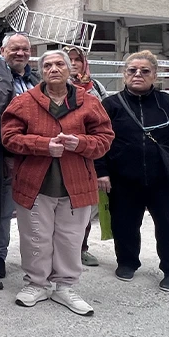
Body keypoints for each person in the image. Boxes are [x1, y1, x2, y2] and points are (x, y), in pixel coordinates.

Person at [1, 49, 114, 316]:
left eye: (60, 64)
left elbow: (105, 139)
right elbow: (8, 138)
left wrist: (81, 143)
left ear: (70, 70)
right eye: (48, 65)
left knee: (70, 239)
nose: (54, 68)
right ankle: (36, 284)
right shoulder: (24, 102)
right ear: (41, 71)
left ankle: (65, 286)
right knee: (35, 237)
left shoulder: (89, 102)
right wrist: (42, 145)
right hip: (35, 183)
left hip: (76, 184)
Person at [95, 50, 169, 292]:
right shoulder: (110, 106)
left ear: (155, 75)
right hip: (124, 179)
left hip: (166, 180)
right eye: (132, 71)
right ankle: (127, 262)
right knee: (124, 224)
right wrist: (102, 172)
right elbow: (99, 142)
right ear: (124, 75)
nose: (137, 75)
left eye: (145, 71)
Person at [0, 32, 39, 287]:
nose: (20, 53)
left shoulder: (34, 80)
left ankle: (5, 255)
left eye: (24, 49)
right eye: (15, 49)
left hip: (30, 153)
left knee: (15, 207)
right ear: (3, 50)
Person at [64, 46, 108, 268]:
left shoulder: (96, 86)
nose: (73, 64)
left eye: (77, 60)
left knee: (87, 205)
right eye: (68, 60)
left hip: (91, 150)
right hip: (64, 151)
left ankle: (81, 248)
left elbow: (107, 115)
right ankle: (61, 251)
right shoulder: (57, 86)